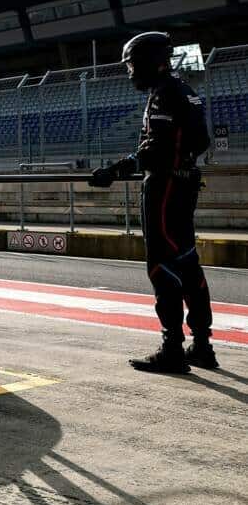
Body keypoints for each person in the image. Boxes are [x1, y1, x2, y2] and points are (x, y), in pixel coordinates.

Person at [90, 32, 214, 373]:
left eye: (131, 65)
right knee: (188, 261)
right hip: (185, 183)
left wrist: (116, 169)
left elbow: (156, 149)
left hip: (165, 187)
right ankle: (202, 345)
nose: (130, 72)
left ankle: (172, 347)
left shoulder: (162, 94)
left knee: (161, 264)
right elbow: (200, 140)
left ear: (147, 62)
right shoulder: (185, 90)